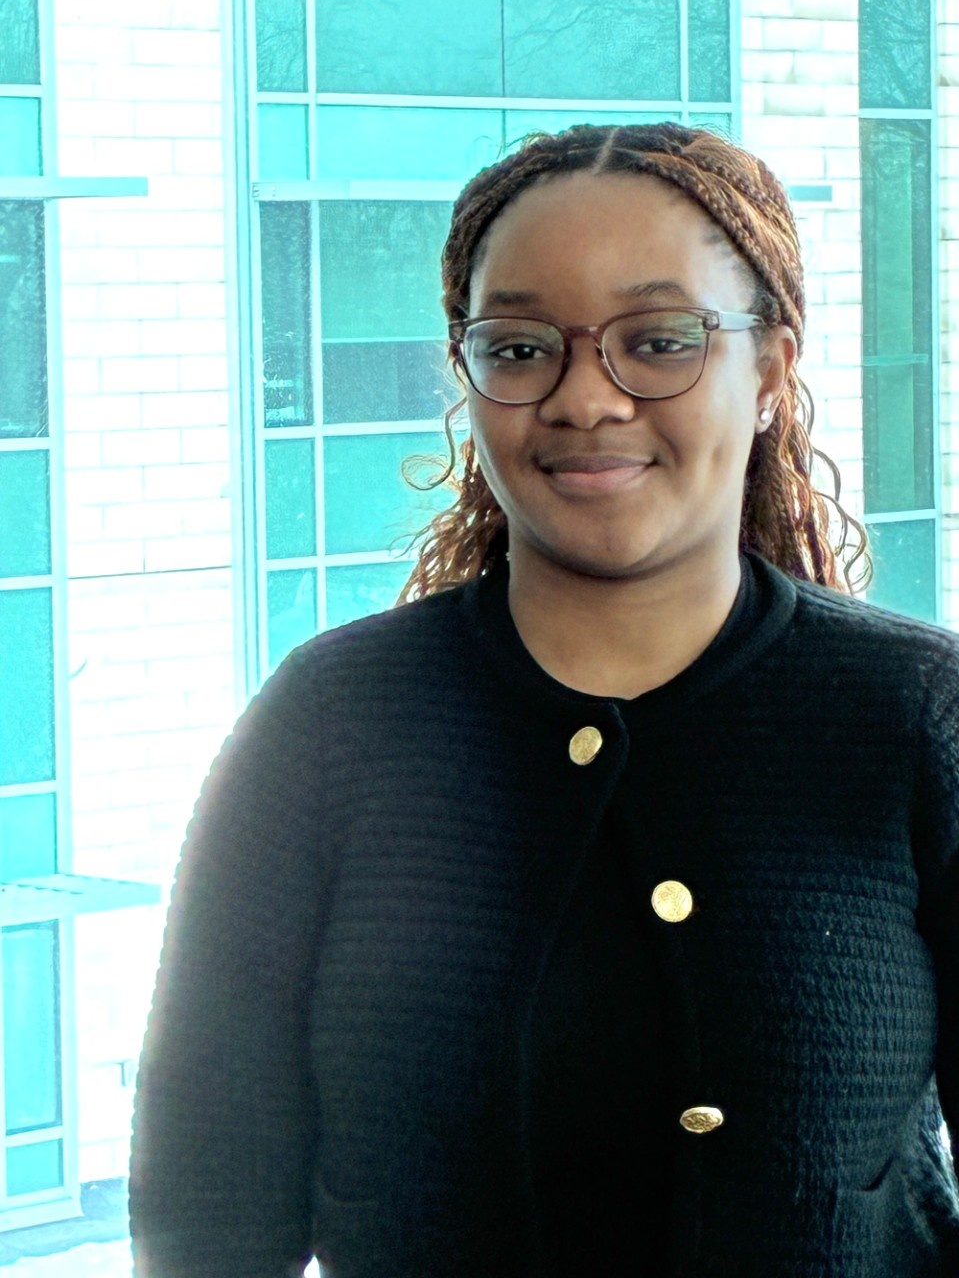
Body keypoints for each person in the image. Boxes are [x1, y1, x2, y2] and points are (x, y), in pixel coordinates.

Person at [129, 123, 959, 1277]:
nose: (583, 398)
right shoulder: (328, 724)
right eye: (518, 348)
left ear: (769, 368)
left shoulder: (916, 713)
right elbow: (204, 1204)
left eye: (658, 341)